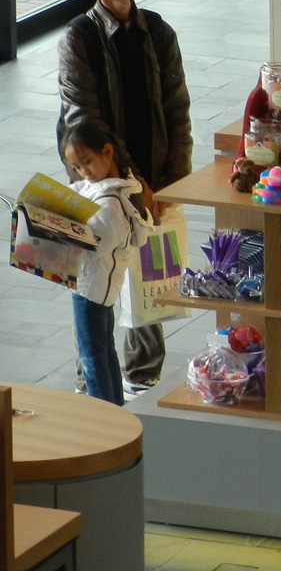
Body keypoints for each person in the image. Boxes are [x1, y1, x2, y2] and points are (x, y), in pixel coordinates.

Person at [58, 0, 193, 399]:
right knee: (96, 284)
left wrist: (175, 182)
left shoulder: (157, 30)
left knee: (153, 289)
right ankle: (90, 389)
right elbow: (86, 123)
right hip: (102, 184)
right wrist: (133, 183)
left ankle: (143, 382)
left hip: (155, 179)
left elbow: (178, 111)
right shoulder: (79, 39)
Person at [62, 121, 155, 406]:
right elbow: (82, 190)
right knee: (104, 351)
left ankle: (106, 416)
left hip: (91, 287)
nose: (84, 172)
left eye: (87, 162)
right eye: (77, 167)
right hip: (100, 286)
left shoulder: (111, 204)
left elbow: (94, 244)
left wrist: (57, 230)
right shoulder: (121, 187)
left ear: (107, 152)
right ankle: (115, 410)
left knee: (93, 357)